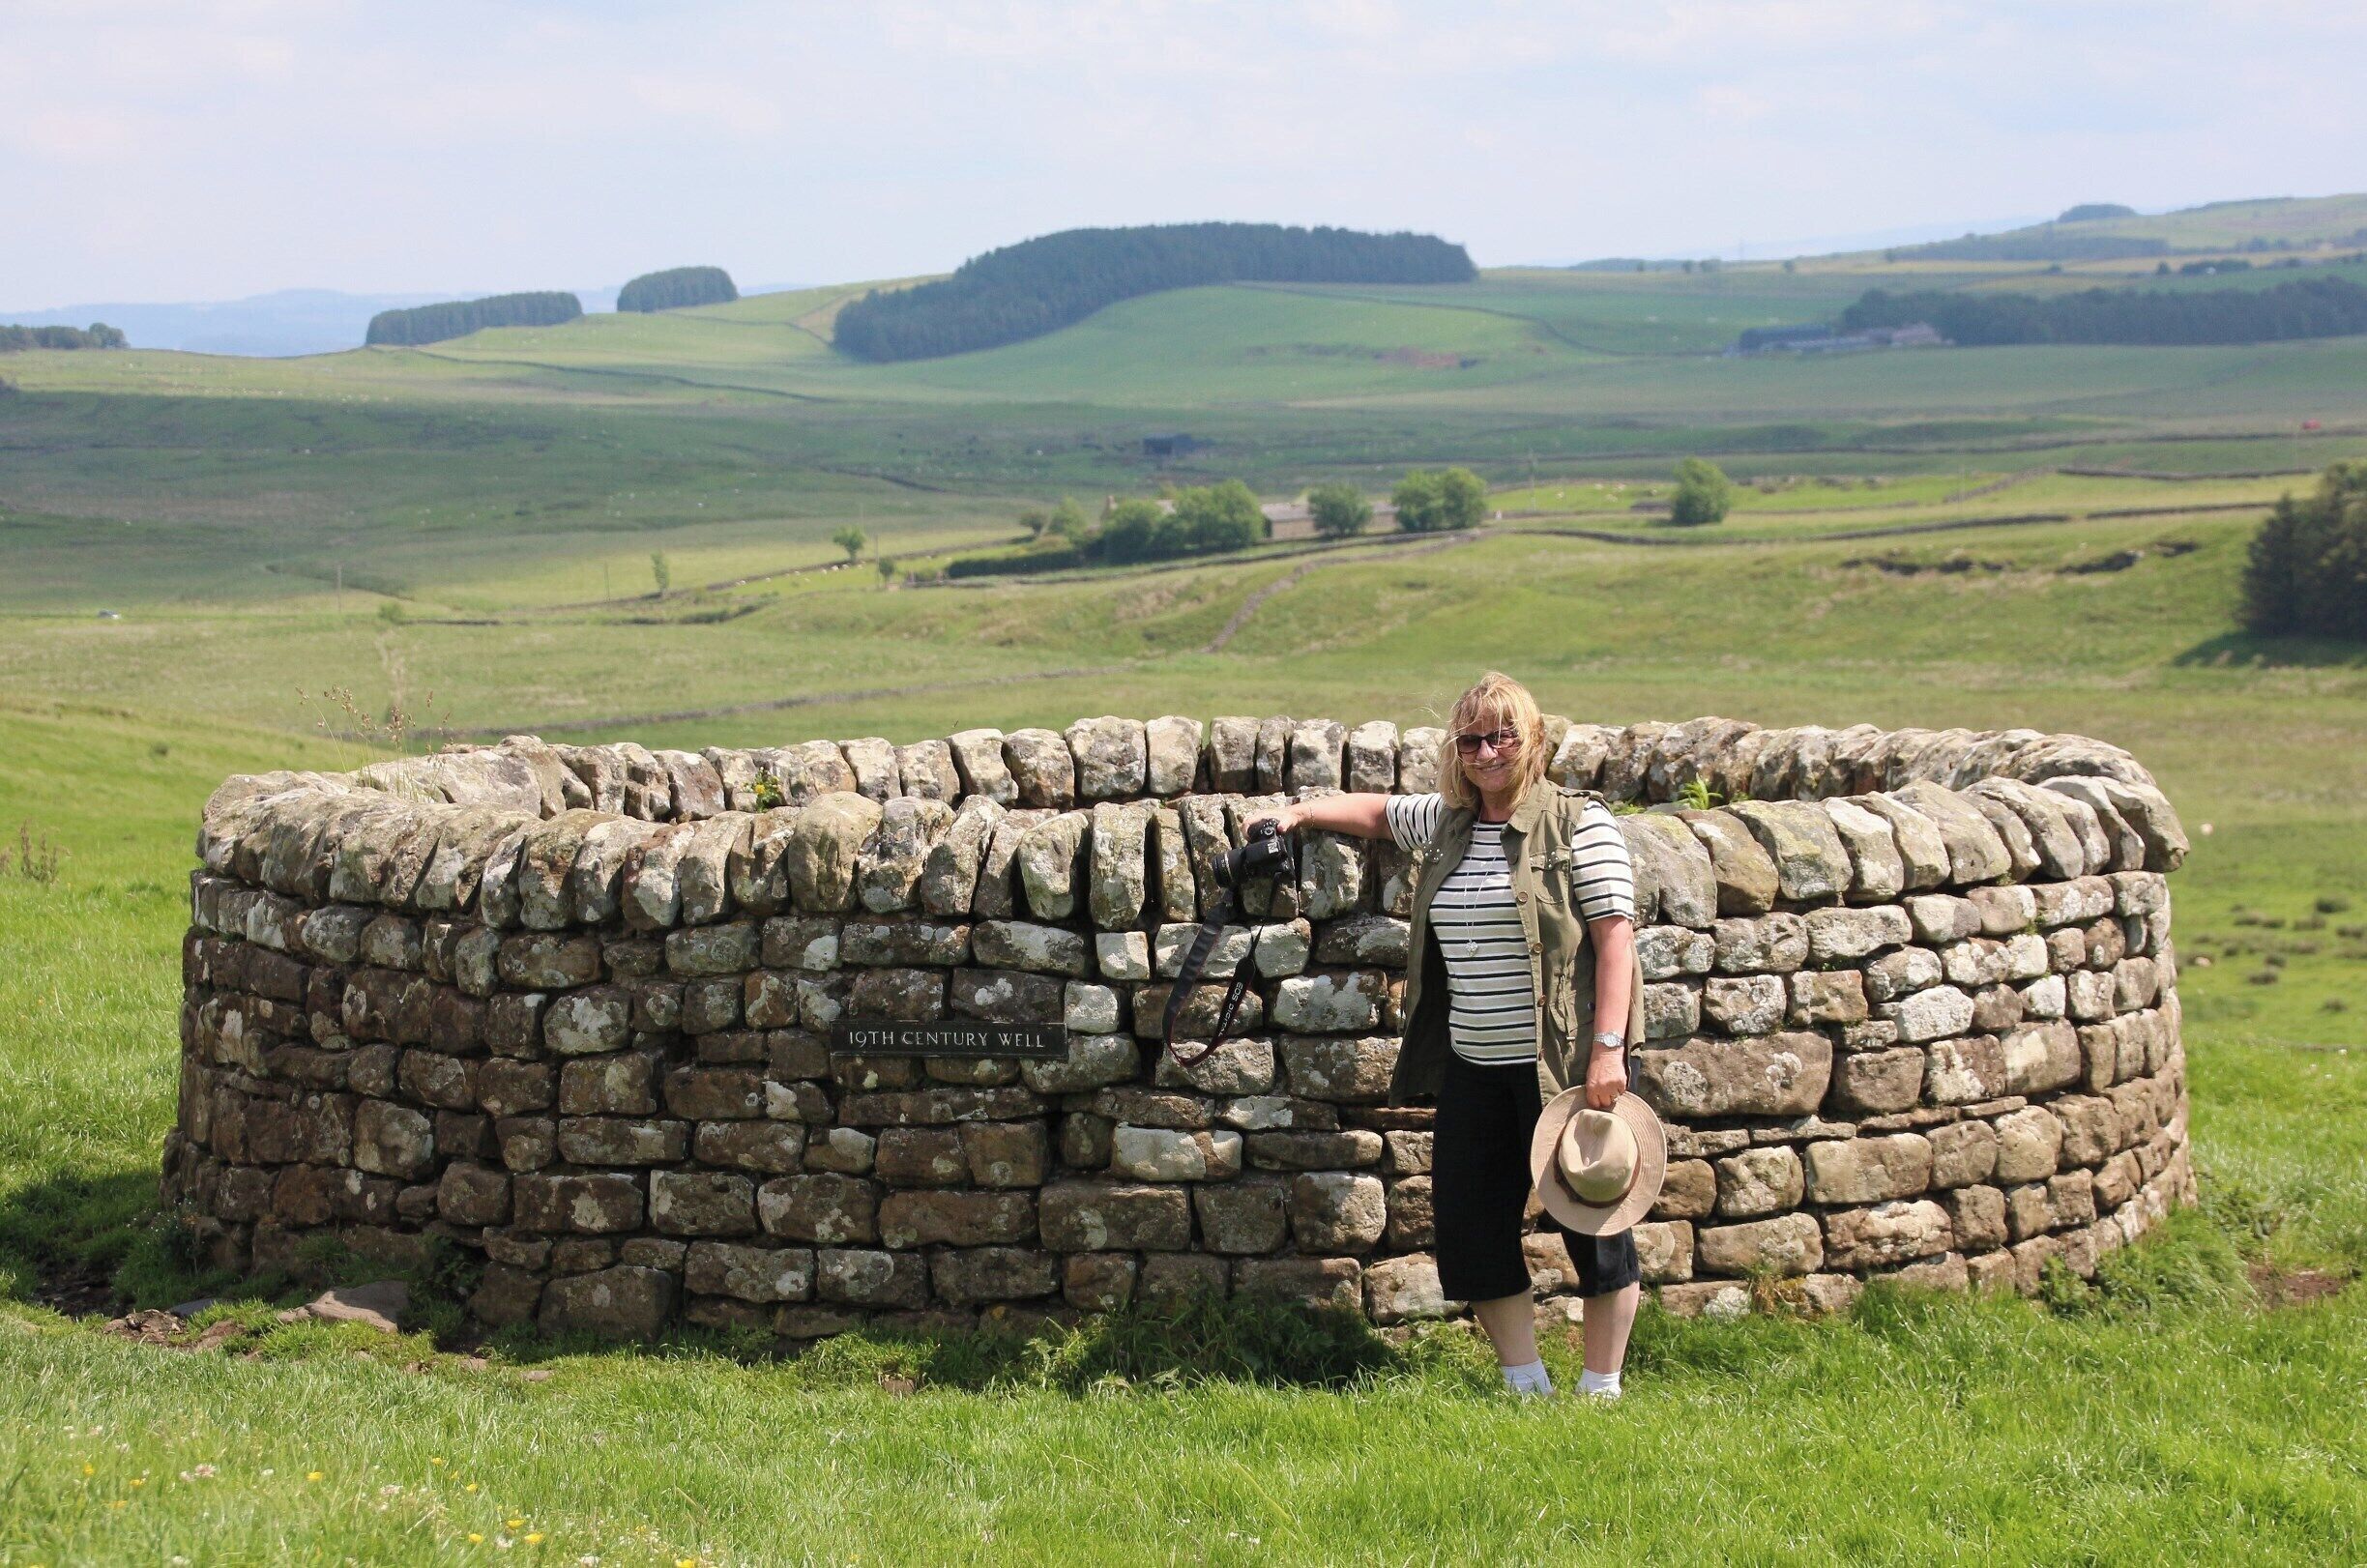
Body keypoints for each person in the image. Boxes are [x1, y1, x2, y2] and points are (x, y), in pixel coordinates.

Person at [1257, 672, 1647, 1398]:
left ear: (1532, 739)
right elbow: (1377, 814)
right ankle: (1525, 1385)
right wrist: (1300, 813)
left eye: (1503, 735)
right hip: (1473, 1064)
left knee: (1594, 1223)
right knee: (1472, 1228)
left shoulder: (1579, 825)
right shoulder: (1449, 821)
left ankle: (1602, 1389)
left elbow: (1616, 940)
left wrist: (1608, 1050)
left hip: (1558, 1064)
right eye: (1471, 739)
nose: (1488, 751)